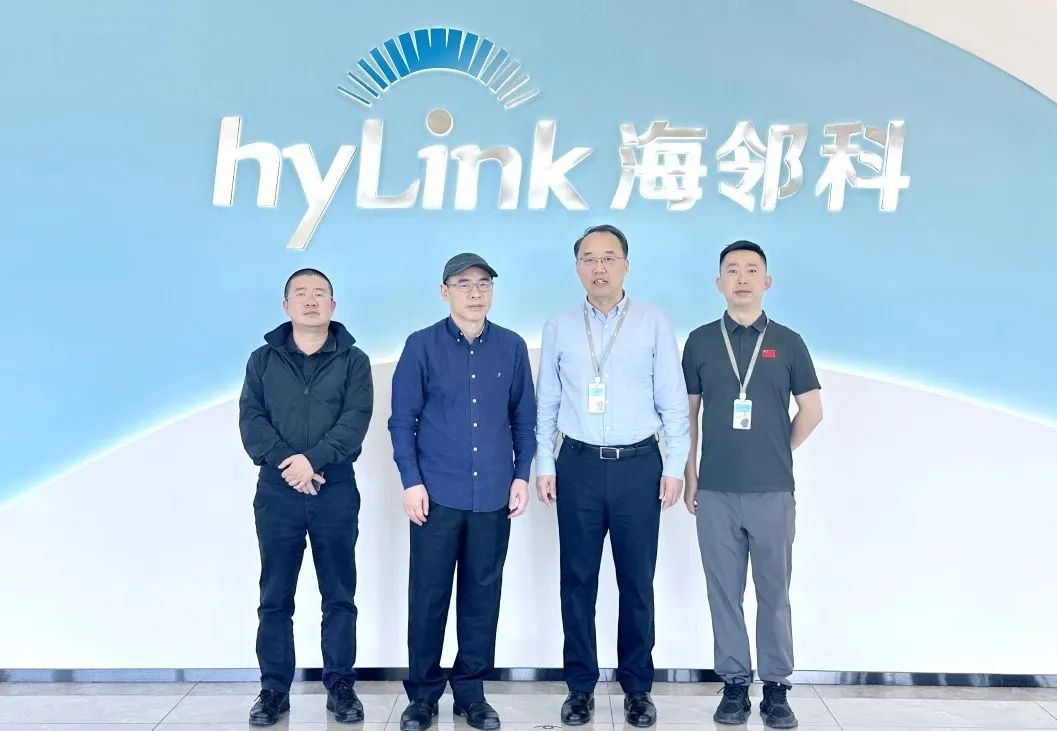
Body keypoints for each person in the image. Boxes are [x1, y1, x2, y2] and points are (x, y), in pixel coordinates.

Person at [535, 224, 690, 728]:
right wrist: (544, 462)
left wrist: (673, 466)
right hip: (577, 464)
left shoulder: (653, 321)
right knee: (577, 581)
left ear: (626, 264)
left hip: (639, 467)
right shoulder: (559, 324)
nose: (598, 268)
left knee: (636, 582)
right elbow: (547, 400)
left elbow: (672, 399)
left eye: (608, 258)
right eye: (588, 258)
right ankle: (579, 687)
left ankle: (637, 688)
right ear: (577, 266)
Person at [388, 253, 536, 731]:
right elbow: (402, 421)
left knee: (481, 597)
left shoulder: (511, 347)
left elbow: (524, 419)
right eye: (464, 284)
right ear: (444, 291)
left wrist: (521, 475)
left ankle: (471, 692)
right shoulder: (421, 345)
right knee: (428, 597)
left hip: (492, 495)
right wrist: (411, 481)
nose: (475, 292)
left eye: (484, 284)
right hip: (436, 495)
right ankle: (423, 695)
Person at [681, 241, 823, 729]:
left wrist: (780, 449)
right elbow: (688, 416)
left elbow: (813, 410)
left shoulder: (789, 341)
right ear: (718, 282)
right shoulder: (700, 341)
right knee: (723, 592)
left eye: (751, 269)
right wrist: (690, 474)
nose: (741, 278)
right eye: (732, 270)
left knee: (774, 593)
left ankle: (777, 688)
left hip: (772, 491)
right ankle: (735, 685)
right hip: (715, 490)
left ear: (767, 281)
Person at [238, 268, 374, 726]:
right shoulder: (262, 360)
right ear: (286, 306)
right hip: (277, 492)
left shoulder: (354, 361)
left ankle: (341, 686)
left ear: (333, 305)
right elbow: (252, 420)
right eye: (301, 294)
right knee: (275, 595)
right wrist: (290, 464)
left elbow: (355, 421)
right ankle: (274, 690)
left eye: (320, 294)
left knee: (339, 594)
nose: (311, 301)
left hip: (335, 489)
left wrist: (313, 461)